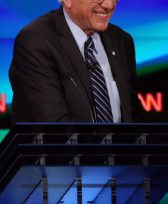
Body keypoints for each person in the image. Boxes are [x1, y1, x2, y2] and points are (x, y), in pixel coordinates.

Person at [9, 0, 140, 123]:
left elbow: (134, 116)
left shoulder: (121, 40)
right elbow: (53, 126)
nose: (108, 5)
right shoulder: (36, 42)